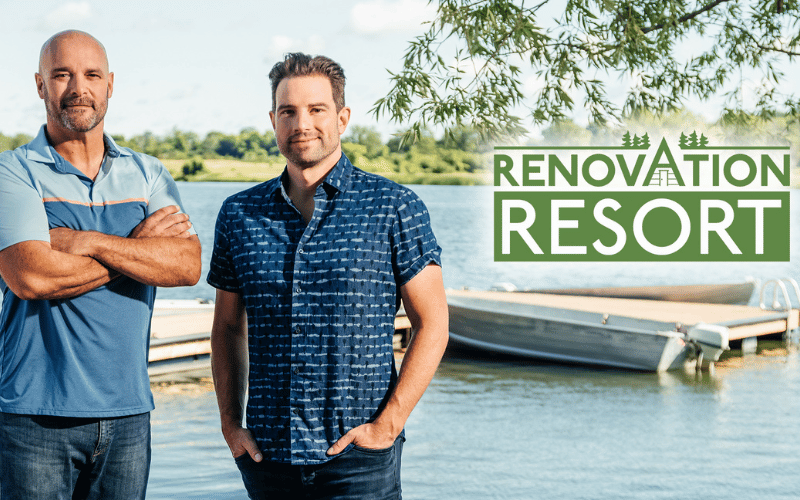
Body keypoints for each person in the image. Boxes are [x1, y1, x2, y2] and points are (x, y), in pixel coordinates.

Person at [208, 52, 449, 499]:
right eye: (288, 111)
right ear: (274, 120)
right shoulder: (239, 215)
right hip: (267, 457)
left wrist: (388, 424)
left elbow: (432, 323)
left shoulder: (394, 207)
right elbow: (226, 326)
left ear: (342, 117)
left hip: (359, 460)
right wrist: (230, 423)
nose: (302, 123)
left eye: (317, 109)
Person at [0, 30, 201, 499]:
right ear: (39, 85)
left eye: (91, 75)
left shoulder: (148, 173)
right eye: (62, 74)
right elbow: (31, 276)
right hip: (34, 417)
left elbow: (186, 266)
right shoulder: (15, 171)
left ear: (110, 84)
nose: (78, 87)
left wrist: (85, 242)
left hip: (128, 416)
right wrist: (136, 249)